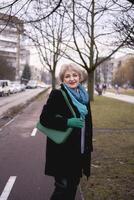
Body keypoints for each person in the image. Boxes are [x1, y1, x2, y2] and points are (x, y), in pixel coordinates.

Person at [39, 63, 93, 200]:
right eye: (67, 76)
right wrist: (67, 122)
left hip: (79, 151)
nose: (72, 79)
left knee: (73, 186)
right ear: (62, 80)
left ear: (80, 77)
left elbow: (88, 125)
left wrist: (88, 147)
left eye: (75, 75)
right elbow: (44, 118)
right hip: (62, 152)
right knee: (62, 188)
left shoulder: (84, 97)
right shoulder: (57, 94)